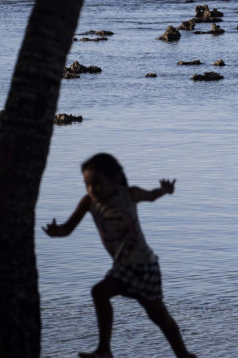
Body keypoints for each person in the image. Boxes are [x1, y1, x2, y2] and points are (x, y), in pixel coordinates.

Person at [43, 152, 195, 358]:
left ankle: (183, 355)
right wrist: (55, 232)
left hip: (143, 265)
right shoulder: (88, 202)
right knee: (100, 293)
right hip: (124, 266)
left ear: (114, 179)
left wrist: (165, 190)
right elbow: (68, 228)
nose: (91, 189)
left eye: (97, 183)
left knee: (158, 316)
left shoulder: (128, 194)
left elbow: (151, 195)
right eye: (87, 183)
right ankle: (105, 350)